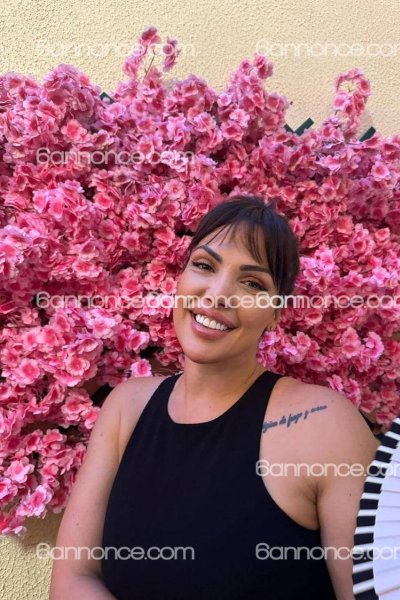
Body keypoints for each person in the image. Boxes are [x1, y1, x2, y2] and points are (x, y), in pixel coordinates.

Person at [50, 194, 379, 600]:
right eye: (205, 265)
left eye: (252, 283)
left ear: (276, 312)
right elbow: (72, 578)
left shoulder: (325, 425)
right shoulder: (125, 409)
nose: (218, 294)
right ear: (181, 277)